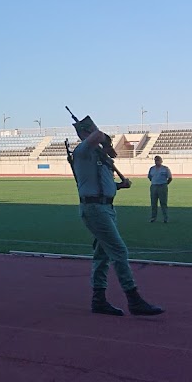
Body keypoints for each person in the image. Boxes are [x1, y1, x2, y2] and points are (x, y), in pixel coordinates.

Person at [69, 116, 163, 316]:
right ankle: (133, 298)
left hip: (105, 208)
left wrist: (120, 185)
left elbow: (101, 187)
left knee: (102, 255)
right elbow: (97, 136)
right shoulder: (82, 151)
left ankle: (99, 300)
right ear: (84, 134)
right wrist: (105, 141)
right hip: (95, 209)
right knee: (119, 250)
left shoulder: (99, 158)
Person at [147, 155, 173, 223]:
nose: (157, 162)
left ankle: (165, 218)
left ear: (161, 161)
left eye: (158, 160)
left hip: (162, 186)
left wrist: (165, 184)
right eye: (155, 160)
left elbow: (170, 178)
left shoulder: (165, 168)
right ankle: (153, 218)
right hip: (154, 186)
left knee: (163, 203)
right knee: (153, 203)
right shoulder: (152, 168)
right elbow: (149, 177)